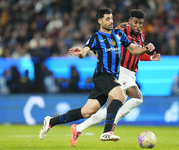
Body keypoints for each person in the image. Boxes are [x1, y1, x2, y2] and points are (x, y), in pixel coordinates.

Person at [39, 7, 155, 145]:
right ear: (100, 21)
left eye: (111, 18)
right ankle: (107, 132)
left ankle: (51, 121)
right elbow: (84, 52)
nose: (111, 21)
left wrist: (146, 49)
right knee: (119, 96)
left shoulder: (118, 34)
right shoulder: (95, 37)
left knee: (86, 112)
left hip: (112, 77)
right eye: (107, 18)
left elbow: (134, 50)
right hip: (102, 75)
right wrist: (80, 52)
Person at [70, 9, 161, 146]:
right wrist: (119, 26)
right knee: (137, 98)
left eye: (140, 23)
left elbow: (138, 54)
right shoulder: (121, 31)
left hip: (131, 74)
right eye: (135, 22)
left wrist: (151, 58)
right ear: (130, 21)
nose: (137, 25)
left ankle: (78, 128)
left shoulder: (141, 36)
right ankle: (113, 122)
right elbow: (109, 31)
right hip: (121, 71)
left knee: (108, 110)